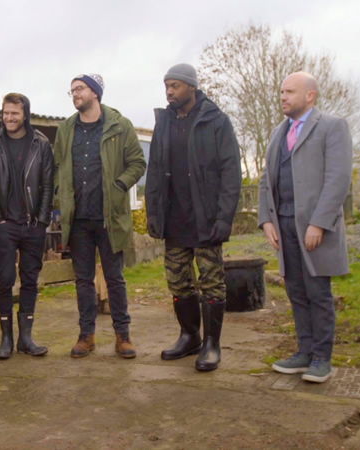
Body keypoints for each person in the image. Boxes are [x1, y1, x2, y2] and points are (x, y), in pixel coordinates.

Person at [145, 64, 242, 371]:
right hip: (175, 219)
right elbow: (155, 172)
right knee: (178, 282)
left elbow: (231, 172)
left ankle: (212, 345)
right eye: (166, 87)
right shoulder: (164, 123)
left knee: (212, 283)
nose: (169, 92)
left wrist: (224, 218)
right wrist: (154, 212)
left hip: (206, 219)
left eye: (175, 86)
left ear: (192, 87)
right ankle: (190, 336)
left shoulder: (216, 121)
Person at [259, 72, 352, 383]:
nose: (283, 97)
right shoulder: (277, 133)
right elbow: (265, 181)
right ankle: (304, 352)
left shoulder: (332, 127)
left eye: (290, 92)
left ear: (310, 96)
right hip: (283, 225)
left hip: (314, 228)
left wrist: (319, 223)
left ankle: (322, 359)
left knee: (317, 292)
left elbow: (338, 180)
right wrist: (266, 220)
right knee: (296, 290)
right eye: (282, 91)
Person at [53, 74, 146, 359]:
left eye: (79, 89)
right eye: (72, 91)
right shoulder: (66, 129)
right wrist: (60, 193)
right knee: (83, 280)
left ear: (95, 92)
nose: (74, 94)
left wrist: (119, 185)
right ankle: (86, 336)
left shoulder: (120, 125)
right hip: (78, 220)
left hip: (110, 218)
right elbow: (57, 165)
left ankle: (123, 336)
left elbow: (138, 163)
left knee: (115, 278)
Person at [0, 93, 54, 359]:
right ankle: (6, 339)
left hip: (32, 225)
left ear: (25, 114)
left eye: (14, 113)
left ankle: (26, 338)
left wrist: (42, 221)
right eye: (6, 113)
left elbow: (48, 185)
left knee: (30, 280)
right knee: (5, 281)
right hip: (4, 224)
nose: (9, 118)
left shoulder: (40, 143)